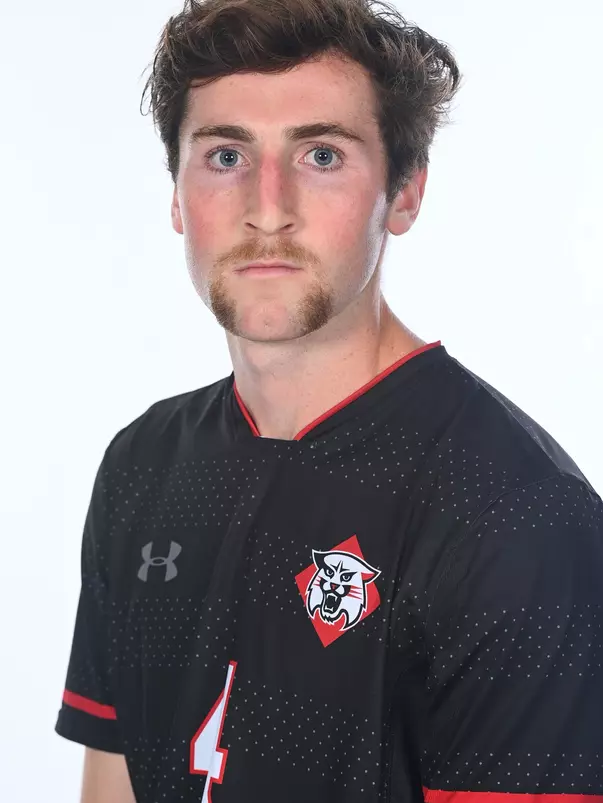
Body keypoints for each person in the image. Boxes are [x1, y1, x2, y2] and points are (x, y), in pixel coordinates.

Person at [54, 0, 603, 801]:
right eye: (224, 155)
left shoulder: (518, 517)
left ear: (405, 192)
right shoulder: (142, 463)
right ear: (176, 194)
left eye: (320, 154)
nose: (267, 207)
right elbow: (113, 783)